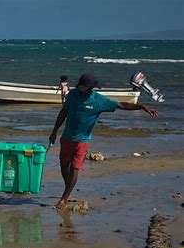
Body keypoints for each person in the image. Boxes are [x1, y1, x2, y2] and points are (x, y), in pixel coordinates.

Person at [48, 73, 158, 209]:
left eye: (83, 87)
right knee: (64, 165)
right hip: (67, 137)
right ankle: (67, 191)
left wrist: (141, 107)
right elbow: (63, 112)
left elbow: (121, 105)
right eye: (79, 86)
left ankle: (64, 199)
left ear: (89, 88)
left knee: (75, 167)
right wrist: (54, 132)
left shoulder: (98, 101)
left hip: (82, 141)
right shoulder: (73, 95)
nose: (80, 88)